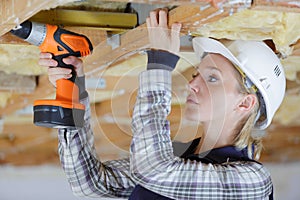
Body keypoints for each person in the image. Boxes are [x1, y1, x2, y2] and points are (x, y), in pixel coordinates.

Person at [39, 9, 285, 199]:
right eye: (197, 74)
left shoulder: (252, 183)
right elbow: (90, 183)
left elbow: (153, 169)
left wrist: (159, 66)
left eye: (212, 78)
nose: (192, 84)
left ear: (245, 103)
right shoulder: (179, 157)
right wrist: (75, 89)